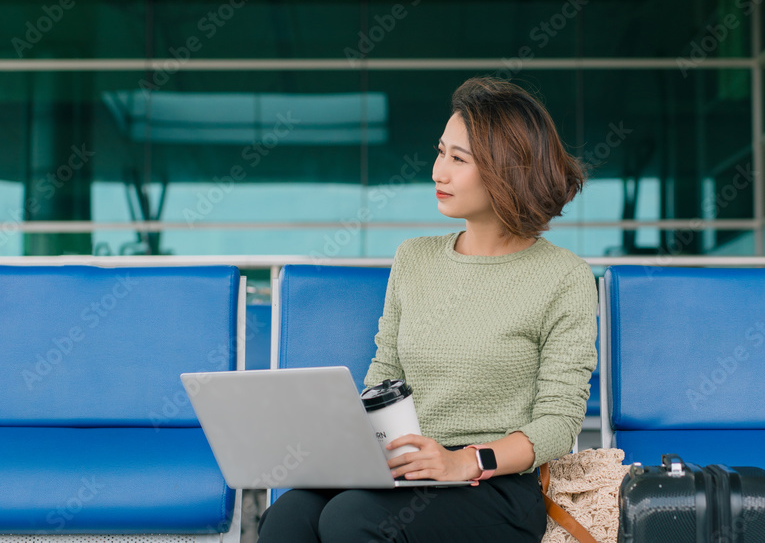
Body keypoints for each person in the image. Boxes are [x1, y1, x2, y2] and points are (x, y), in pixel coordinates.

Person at [256, 76, 598, 542]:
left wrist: (465, 460)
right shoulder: (413, 257)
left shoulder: (564, 277)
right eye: (441, 152)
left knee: (351, 518)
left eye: (459, 159)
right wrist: (349, 441)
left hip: (495, 483)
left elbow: (558, 424)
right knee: (288, 515)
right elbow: (384, 376)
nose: (438, 172)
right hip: (407, 467)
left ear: (508, 170)